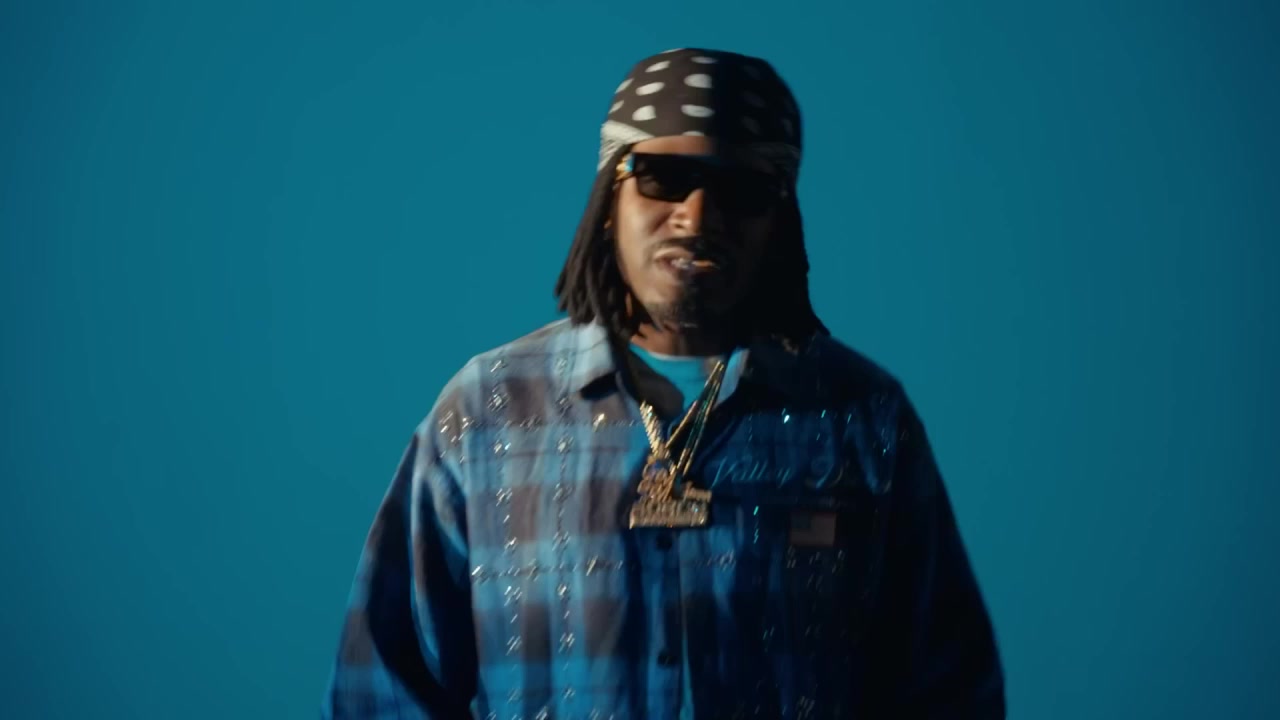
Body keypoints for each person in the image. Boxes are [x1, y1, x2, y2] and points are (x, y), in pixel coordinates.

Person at [322, 48, 1005, 719]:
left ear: (781, 218)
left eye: (743, 190)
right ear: (608, 196)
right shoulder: (487, 411)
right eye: (663, 177)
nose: (697, 218)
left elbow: (948, 690)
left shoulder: (862, 419)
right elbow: (382, 690)